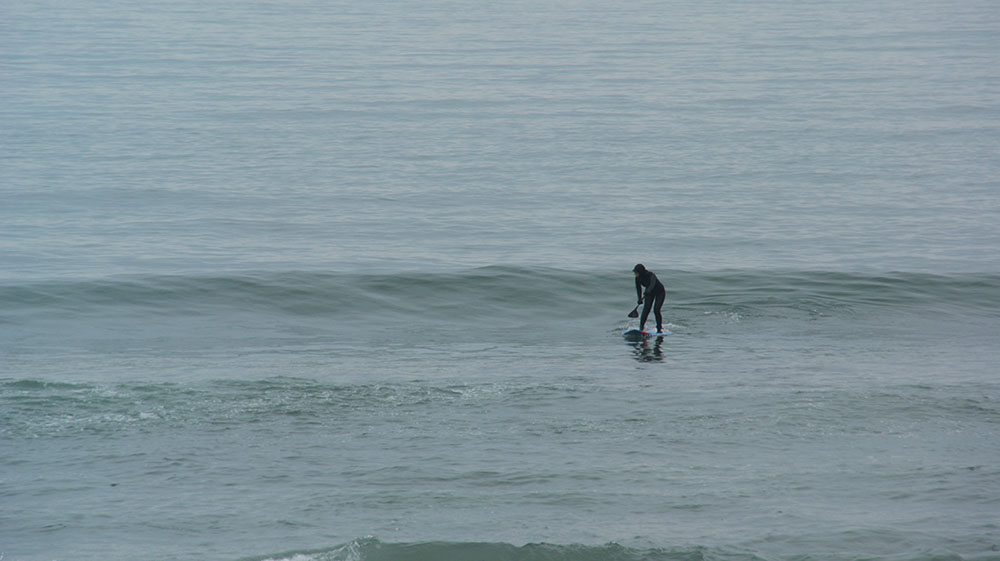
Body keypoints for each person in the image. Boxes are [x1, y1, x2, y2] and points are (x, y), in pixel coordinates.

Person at [633, 264, 665, 334]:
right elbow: (638, 289)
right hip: (649, 293)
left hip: (660, 292)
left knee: (656, 310)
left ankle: (659, 328)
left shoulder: (650, 275)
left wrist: (649, 290)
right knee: (646, 310)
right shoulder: (637, 278)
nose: (635, 274)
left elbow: (652, 283)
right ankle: (641, 328)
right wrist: (639, 298)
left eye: (636, 272)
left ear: (641, 272)